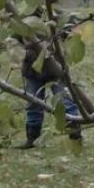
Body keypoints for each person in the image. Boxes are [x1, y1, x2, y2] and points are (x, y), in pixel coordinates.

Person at [16, 19, 82, 149]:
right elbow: (15, 40)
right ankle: (32, 138)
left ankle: (75, 137)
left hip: (56, 69)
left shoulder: (53, 13)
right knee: (33, 103)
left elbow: (69, 29)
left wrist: (65, 30)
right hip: (32, 70)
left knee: (65, 101)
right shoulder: (23, 18)